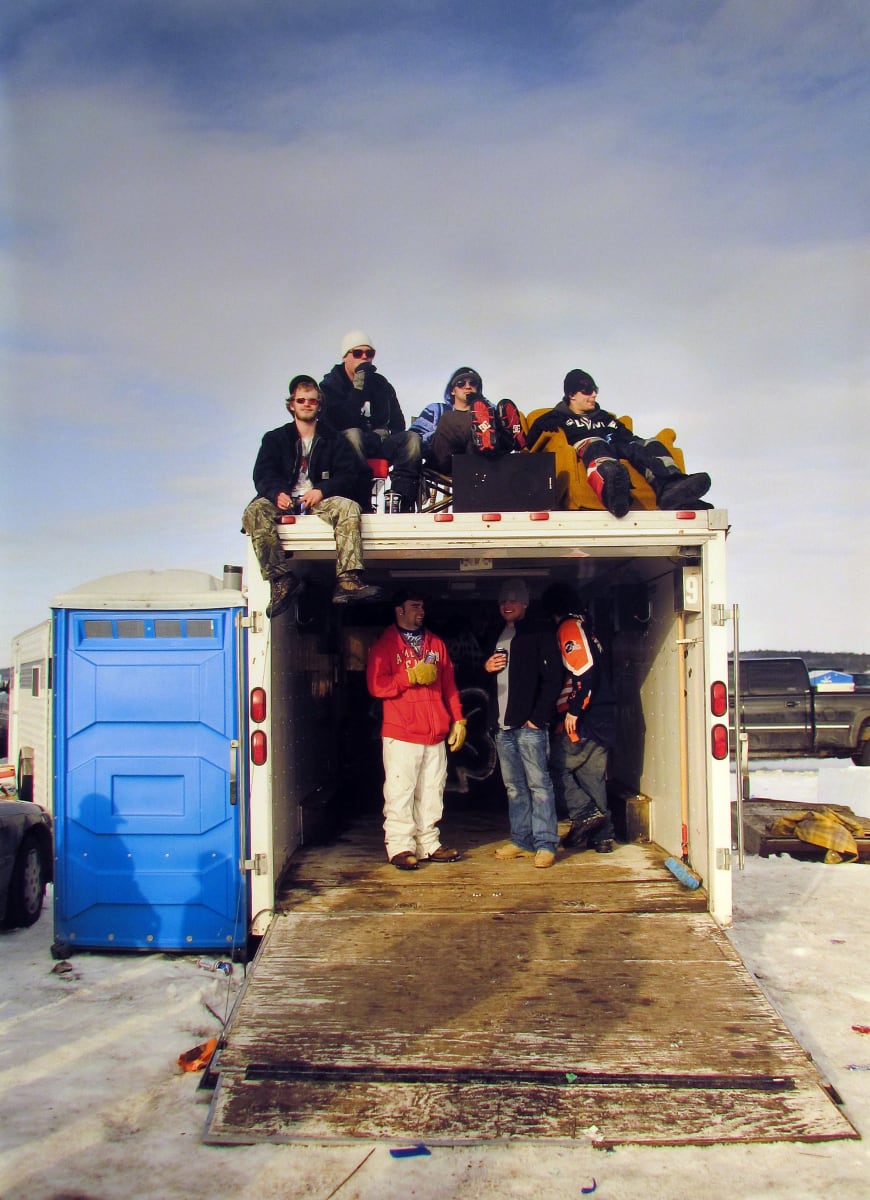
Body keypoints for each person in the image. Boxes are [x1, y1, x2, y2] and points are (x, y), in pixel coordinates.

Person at [242, 374, 383, 616]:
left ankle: (348, 580)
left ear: (319, 405)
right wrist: (277, 493)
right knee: (254, 512)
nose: (307, 404)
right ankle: (281, 582)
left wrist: (322, 490)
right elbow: (262, 474)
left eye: (312, 401)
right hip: (284, 499)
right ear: (292, 405)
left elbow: (349, 473)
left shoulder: (334, 439)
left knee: (348, 507)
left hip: (318, 499)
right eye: (301, 400)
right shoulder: (275, 439)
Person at [366, 589, 467, 870]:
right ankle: (400, 847)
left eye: (422, 606)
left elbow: (448, 685)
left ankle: (429, 844)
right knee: (401, 790)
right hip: (402, 732)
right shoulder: (385, 645)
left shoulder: (436, 643)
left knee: (432, 790)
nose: (421, 611)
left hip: (434, 732)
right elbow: (376, 685)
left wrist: (459, 719)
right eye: (414, 606)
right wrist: (408, 676)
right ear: (399, 610)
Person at [526, 369, 712, 518]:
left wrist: (637, 445)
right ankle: (612, 492)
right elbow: (528, 443)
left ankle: (673, 489)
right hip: (589, 449)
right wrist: (543, 424)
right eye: (588, 391)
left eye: (595, 390)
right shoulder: (557, 416)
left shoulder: (604, 417)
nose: (594, 395)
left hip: (616, 446)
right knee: (596, 444)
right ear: (571, 394)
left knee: (649, 444)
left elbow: (627, 436)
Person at [484, 578, 563, 869]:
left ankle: (545, 844)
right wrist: (486, 667)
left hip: (528, 727)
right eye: (504, 600)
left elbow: (554, 678)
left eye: (514, 600)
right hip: (503, 727)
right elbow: (492, 674)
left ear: (525, 604)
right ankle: (521, 841)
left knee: (539, 785)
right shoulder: (498, 633)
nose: (507, 604)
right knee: (514, 787)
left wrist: (536, 719)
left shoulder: (540, 633)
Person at [542, 583, 617, 854]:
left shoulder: (569, 628)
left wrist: (574, 710)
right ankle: (603, 837)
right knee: (591, 777)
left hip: (585, 717)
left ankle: (583, 813)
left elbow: (584, 671)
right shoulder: (590, 627)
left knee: (552, 768)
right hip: (605, 716)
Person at [319, 330, 421, 512]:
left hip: (378, 440)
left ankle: (402, 499)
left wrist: (387, 435)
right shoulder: (330, 385)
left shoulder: (382, 384)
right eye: (358, 353)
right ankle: (360, 500)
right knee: (353, 435)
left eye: (369, 354)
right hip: (347, 447)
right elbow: (338, 422)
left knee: (411, 439)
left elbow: (398, 421)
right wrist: (358, 389)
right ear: (345, 357)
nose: (364, 358)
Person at [410, 367, 526, 474]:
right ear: (452, 391)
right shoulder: (436, 409)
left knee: (493, 421)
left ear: (478, 389)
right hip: (445, 460)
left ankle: (506, 438)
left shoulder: (492, 410)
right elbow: (414, 438)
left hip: (480, 460)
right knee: (450, 419)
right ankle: (497, 437)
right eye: (461, 384)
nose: (467, 386)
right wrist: (438, 435)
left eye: (473, 383)